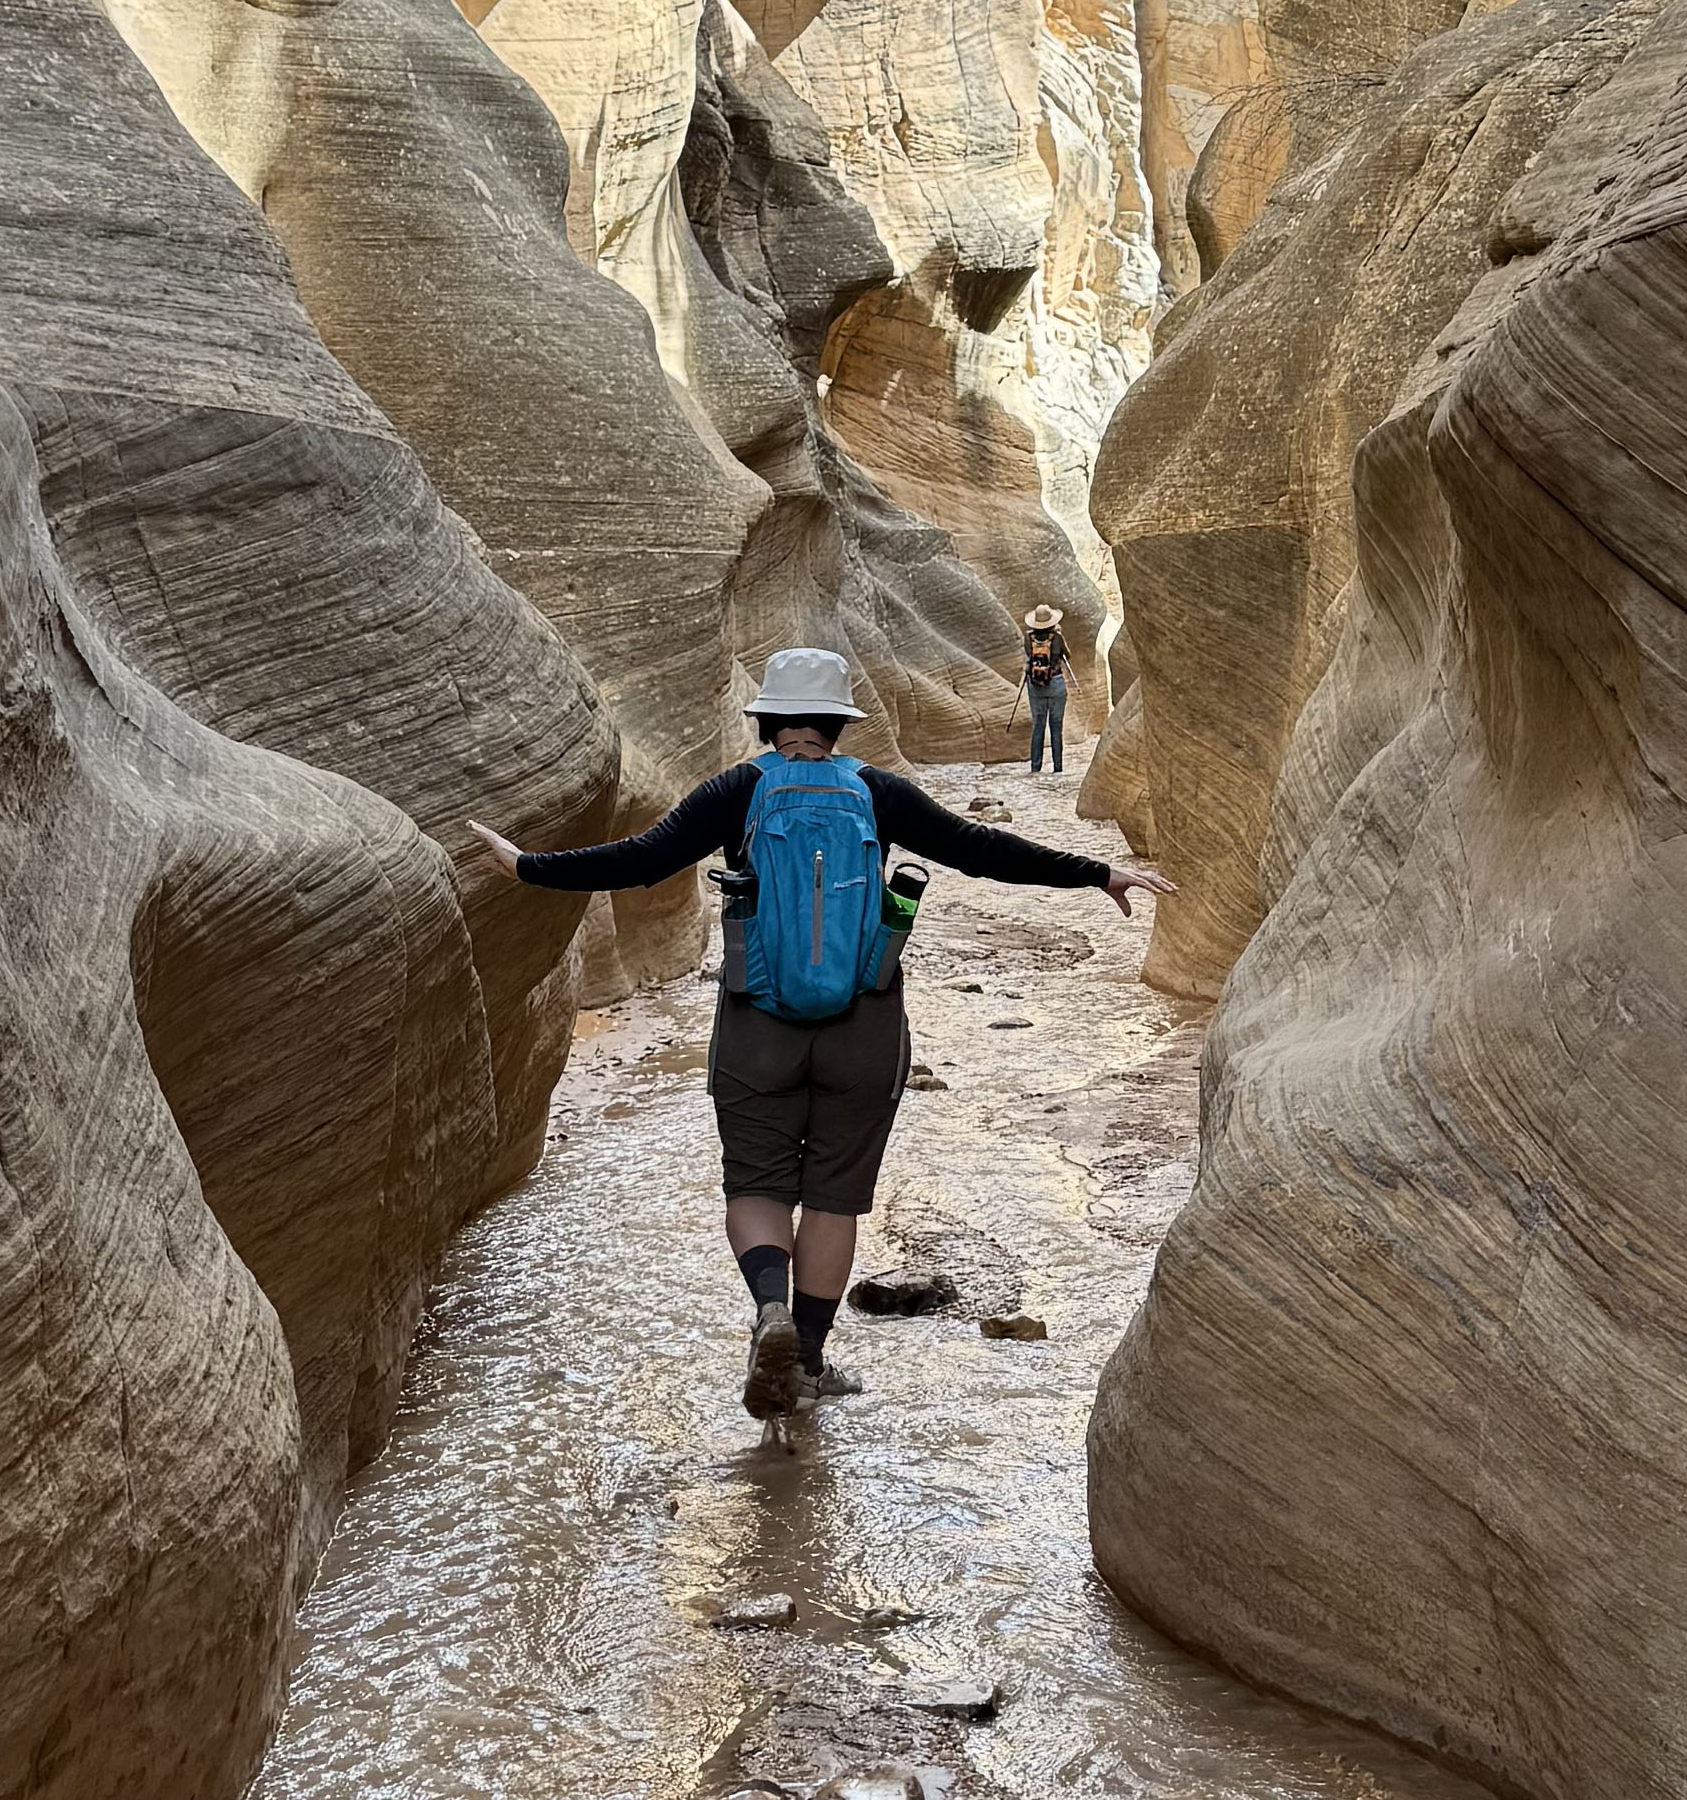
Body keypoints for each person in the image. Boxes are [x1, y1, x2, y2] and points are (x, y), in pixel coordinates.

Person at [465, 644, 1164, 1422]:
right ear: (838, 725)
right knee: (834, 1200)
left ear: (768, 723)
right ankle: (805, 1359)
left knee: (757, 1184)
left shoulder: (738, 790)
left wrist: (527, 867)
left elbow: (641, 859)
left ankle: (770, 1308)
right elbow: (980, 850)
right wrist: (1097, 872)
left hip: (756, 1020)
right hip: (865, 1024)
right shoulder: (877, 792)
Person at [1020, 603, 1071, 777]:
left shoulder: (1029, 638)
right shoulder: (1057, 638)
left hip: (1035, 686)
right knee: (1056, 727)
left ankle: (1035, 768)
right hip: (1056, 684)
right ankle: (1057, 768)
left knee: (1038, 726)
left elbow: (1029, 655)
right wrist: (1059, 635)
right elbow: (1067, 655)